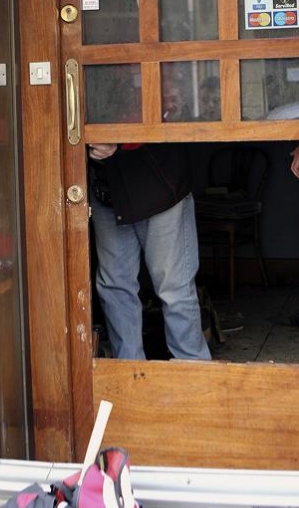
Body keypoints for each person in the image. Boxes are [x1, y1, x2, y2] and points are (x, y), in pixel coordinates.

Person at [88, 141, 211, 361]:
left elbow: (169, 109)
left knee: (174, 287)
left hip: (159, 184)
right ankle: (129, 374)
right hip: (107, 190)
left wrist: (121, 140)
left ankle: (193, 374)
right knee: (115, 286)